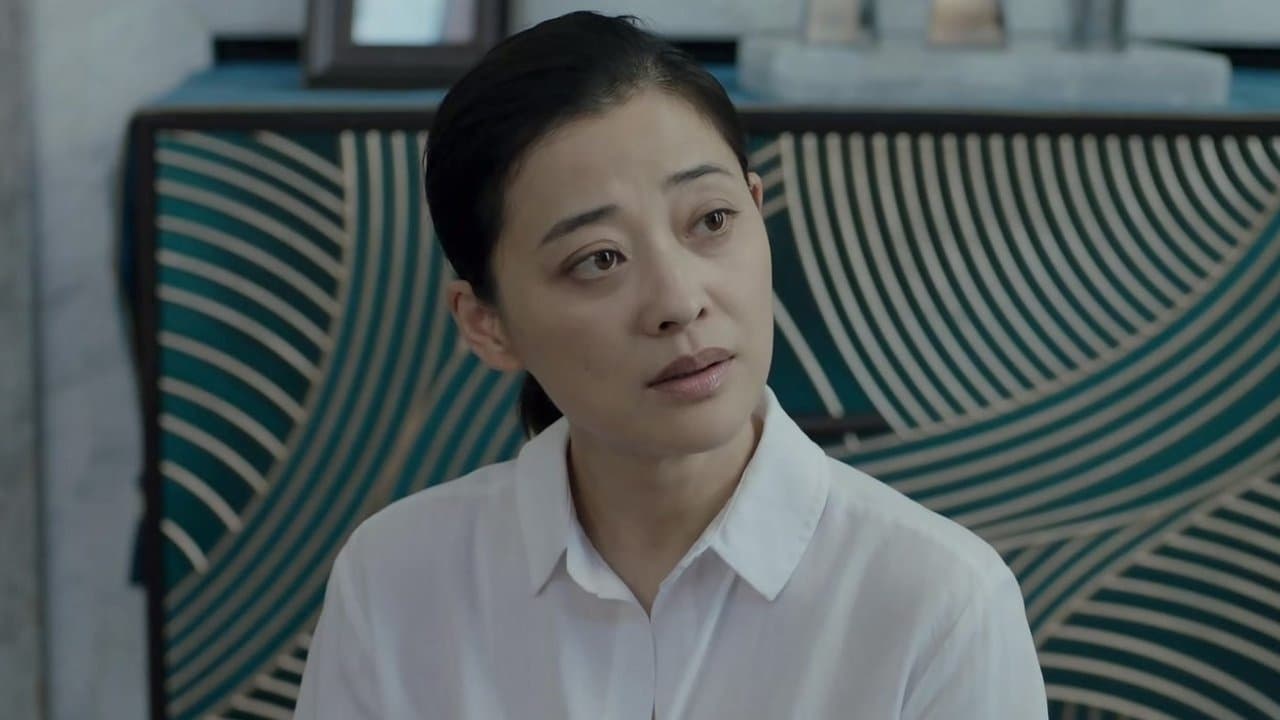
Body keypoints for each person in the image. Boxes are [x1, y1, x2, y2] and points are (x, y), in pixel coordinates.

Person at [295, 11, 1048, 719]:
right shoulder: (396, 581)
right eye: (598, 259)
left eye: (712, 220)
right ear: (486, 325)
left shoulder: (941, 604)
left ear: (757, 208)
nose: (678, 302)